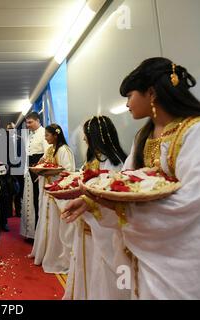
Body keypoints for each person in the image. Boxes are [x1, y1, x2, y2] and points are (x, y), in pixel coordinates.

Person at [62, 57, 200, 299]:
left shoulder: (194, 132)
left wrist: (122, 209)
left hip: (178, 249)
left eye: (129, 95)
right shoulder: (142, 137)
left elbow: (191, 201)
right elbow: (126, 181)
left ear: (151, 93)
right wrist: (92, 201)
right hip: (139, 247)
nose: (126, 104)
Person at [62, 116, 130, 300]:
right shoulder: (93, 159)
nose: (84, 140)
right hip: (88, 223)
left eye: (86, 136)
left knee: (102, 272)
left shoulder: (115, 162)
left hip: (103, 228)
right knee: (87, 266)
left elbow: (113, 195)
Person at [29, 124, 75, 274]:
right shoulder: (49, 149)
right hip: (47, 190)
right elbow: (43, 163)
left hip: (57, 193)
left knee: (55, 224)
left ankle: (56, 256)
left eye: (47, 135)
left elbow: (68, 171)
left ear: (56, 135)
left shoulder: (64, 150)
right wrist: (40, 168)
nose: (45, 138)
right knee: (45, 222)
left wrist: (52, 173)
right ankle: (43, 253)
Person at [20, 112, 49, 239]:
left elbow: (47, 153)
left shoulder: (44, 133)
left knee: (37, 201)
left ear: (38, 121)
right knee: (30, 200)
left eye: (30, 122)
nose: (28, 125)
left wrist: (39, 170)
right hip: (30, 169)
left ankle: (38, 234)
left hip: (38, 171)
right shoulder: (30, 135)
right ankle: (31, 233)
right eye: (27, 122)